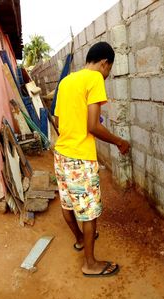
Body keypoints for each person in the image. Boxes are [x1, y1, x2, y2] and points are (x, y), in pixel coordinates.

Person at [54, 42, 130, 277]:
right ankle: (90, 263)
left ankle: (79, 240)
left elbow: (58, 122)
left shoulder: (66, 81)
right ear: (104, 63)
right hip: (80, 158)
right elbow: (93, 126)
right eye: (109, 70)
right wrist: (119, 141)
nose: (107, 75)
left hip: (61, 154)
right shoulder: (95, 79)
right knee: (90, 212)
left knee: (68, 203)